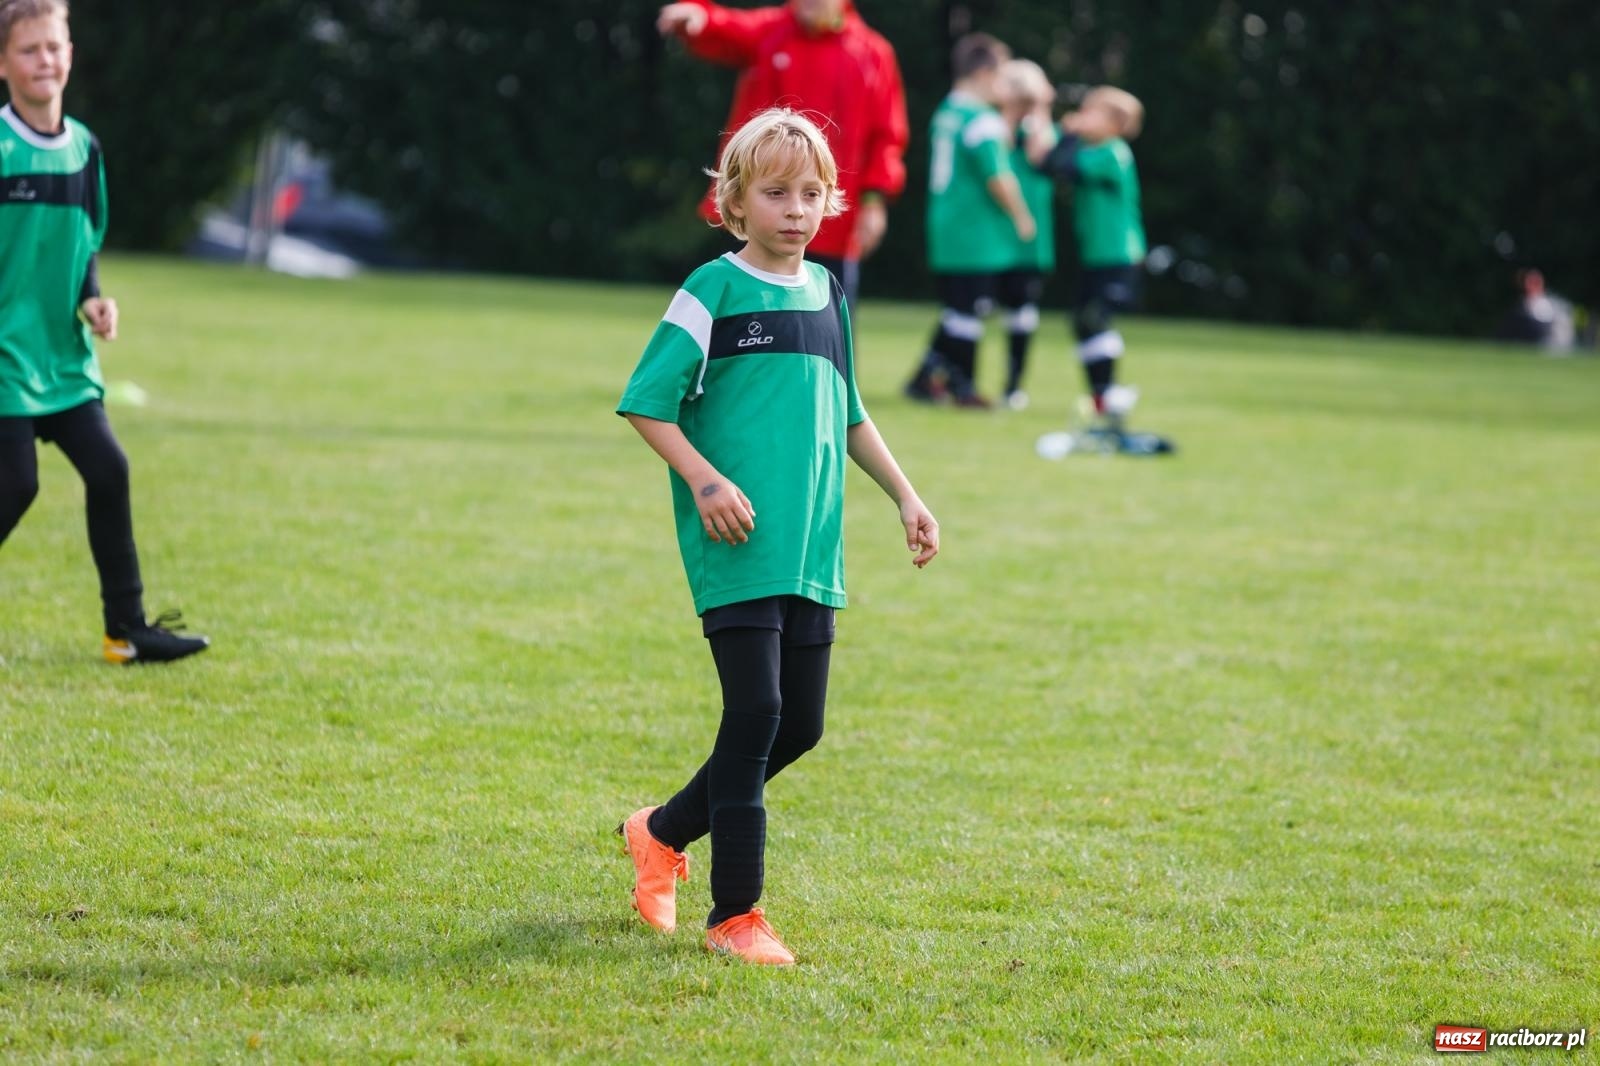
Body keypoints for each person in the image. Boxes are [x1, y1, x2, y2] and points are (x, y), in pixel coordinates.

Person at [615, 108, 938, 965]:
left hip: (812, 547)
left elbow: (852, 411)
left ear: (829, 201)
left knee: (800, 727)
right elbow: (648, 400)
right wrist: (706, 478)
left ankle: (659, 832)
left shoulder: (829, 292)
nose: (795, 209)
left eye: (810, 193)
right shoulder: (711, 291)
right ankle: (737, 916)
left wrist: (906, 496)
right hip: (740, 540)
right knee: (755, 711)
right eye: (775, 193)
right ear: (736, 201)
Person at [0, 0, 208, 664]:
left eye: (55, 47)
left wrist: (93, 301)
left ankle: (127, 630)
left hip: (60, 357)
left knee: (109, 468)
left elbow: (83, 243)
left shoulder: (84, 149)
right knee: (16, 484)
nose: (45, 61)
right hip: (4, 356)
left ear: (71, 54)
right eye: (30, 50)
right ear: (2, 63)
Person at [656, 0, 909, 309]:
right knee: (737, 317)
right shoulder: (773, 31)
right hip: (758, 215)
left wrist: (874, 203)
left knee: (828, 322)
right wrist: (698, 16)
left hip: (833, 222)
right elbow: (728, 28)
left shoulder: (873, 54)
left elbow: (886, 137)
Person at [905, 33, 1035, 409]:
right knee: (969, 313)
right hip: (974, 231)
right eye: (1001, 77)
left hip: (947, 224)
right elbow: (998, 176)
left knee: (958, 308)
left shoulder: (947, 111)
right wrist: (1022, 216)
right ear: (983, 73)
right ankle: (963, 388)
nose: (1004, 88)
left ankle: (923, 378)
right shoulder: (981, 121)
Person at [1033, 85, 1147, 426]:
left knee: (1094, 318)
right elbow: (1045, 166)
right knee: (1082, 322)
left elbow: (1063, 167)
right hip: (1096, 255)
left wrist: (1067, 132)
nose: (1082, 116)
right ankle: (1104, 396)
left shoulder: (1112, 153)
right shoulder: (1092, 148)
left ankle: (1109, 394)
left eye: (1091, 111)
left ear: (1114, 123)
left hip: (1118, 255)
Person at [994, 59, 1058, 411]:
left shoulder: (1045, 134)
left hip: (1031, 242)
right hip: (995, 239)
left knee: (1021, 315)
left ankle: (1014, 384)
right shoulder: (996, 131)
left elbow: (1041, 153)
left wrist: (1040, 109)